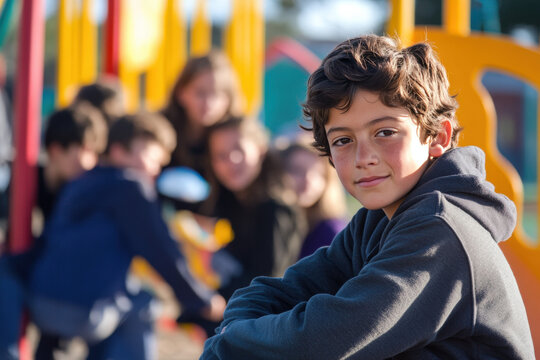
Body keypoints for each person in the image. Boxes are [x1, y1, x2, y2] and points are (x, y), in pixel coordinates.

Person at [200, 35, 534, 359]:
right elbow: (281, 290)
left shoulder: (439, 230)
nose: (364, 157)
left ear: (437, 136)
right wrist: (234, 333)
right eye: (343, 140)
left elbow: (326, 339)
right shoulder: (376, 221)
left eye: (385, 133)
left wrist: (229, 343)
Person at [0, 112, 225, 360]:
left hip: (41, 303)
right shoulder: (132, 187)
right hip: (86, 314)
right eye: (152, 158)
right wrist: (201, 300)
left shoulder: (81, 181)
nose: (155, 169)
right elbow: (162, 251)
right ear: (119, 151)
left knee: (119, 295)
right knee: (143, 304)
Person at [177, 116, 306, 337]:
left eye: (239, 150)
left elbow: (267, 280)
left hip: (261, 328)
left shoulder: (275, 209)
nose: (231, 161)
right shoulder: (232, 202)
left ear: (260, 150)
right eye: (221, 156)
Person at [161, 50, 243, 213]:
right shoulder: (159, 131)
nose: (209, 103)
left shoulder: (238, 138)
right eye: (200, 93)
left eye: (217, 94)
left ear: (229, 98)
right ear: (181, 93)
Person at [278, 134, 348, 259]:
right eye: (297, 170)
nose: (308, 180)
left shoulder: (331, 232)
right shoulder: (275, 223)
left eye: (318, 173)